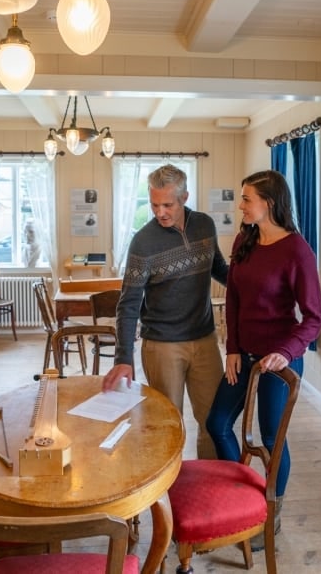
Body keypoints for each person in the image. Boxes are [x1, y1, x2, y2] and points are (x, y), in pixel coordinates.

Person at [205, 169, 321, 550]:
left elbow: (314, 318)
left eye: (246, 199)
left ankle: (271, 515)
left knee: (272, 440)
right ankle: (240, 500)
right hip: (244, 356)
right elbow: (235, 299)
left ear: (269, 203)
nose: (241, 205)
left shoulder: (297, 250)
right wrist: (233, 350)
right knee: (218, 424)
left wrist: (284, 353)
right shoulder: (245, 238)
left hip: (278, 364)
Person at [101, 164, 229, 459]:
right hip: (162, 345)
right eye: (154, 204)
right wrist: (123, 358)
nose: (160, 212)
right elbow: (128, 303)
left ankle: (208, 487)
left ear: (184, 197)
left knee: (214, 421)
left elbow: (219, 269)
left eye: (167, 204)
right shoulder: (143, 242)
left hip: (205, 340)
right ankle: (169, 497)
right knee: (169, 425)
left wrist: (256, 284)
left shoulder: (205, 225)